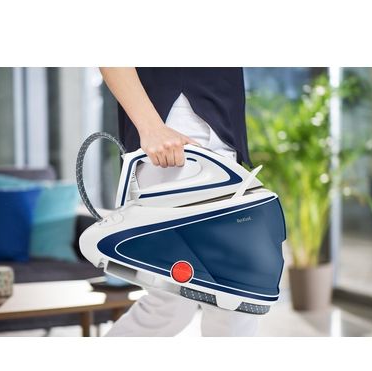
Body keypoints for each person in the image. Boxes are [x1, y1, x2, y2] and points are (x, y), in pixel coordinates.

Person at [100, 67, 258, 337]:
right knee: (229, 299)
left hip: (220, 139)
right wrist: (152, 127)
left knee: (174, 304)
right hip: (177, 137)